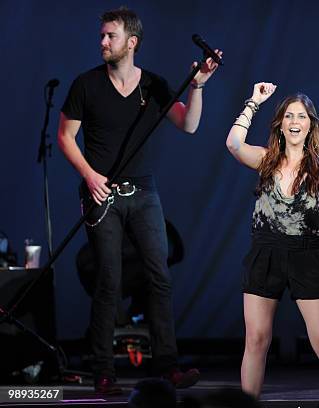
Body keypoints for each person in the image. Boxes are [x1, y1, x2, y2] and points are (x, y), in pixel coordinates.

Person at [57, 7, 221, 394]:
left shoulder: (154, 86)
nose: (102, 42)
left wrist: (198, 86)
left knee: (159, 276)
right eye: (101, 35)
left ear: (131, 42)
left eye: (109, 36)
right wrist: (89, 175)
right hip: (102, 192)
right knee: (108, 280)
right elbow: (65, 137)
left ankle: (168, 367)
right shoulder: (86, 85)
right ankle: (103, 372)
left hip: (143, 191)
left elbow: (189, 125)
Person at [226, 83, 319, 407]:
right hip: (266, 252)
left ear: (310, 124)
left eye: (301, 116)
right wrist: (254, 102)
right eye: (289, 116)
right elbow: (233, 143)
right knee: (256, 340)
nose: (295, 121)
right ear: (281, 124)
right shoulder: (266, 159)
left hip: (308, 256)